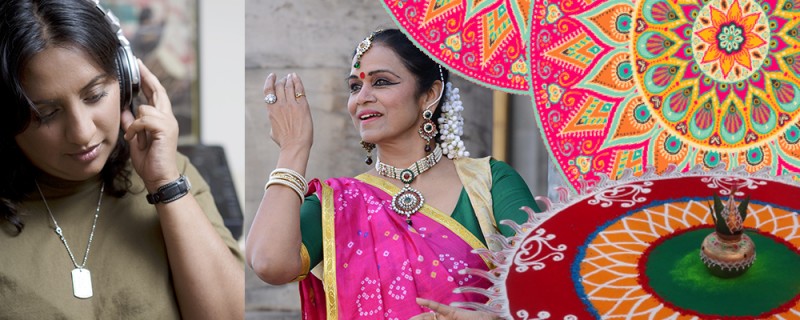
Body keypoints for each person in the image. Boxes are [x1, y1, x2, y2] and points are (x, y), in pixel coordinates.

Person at [247, 28, 540, 319]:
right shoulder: (338, 204)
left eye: (381, 82)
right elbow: (269, 263)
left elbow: (547, 286)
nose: (362, 97)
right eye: (354, 87)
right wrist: (293, 149)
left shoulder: (488, 182)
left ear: (429, 94)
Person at [0, 1, 243, 318]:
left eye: (95, 95)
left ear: (127, 79)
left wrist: (165, 185)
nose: (83, 133)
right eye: (46, 114)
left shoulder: (173, 173)